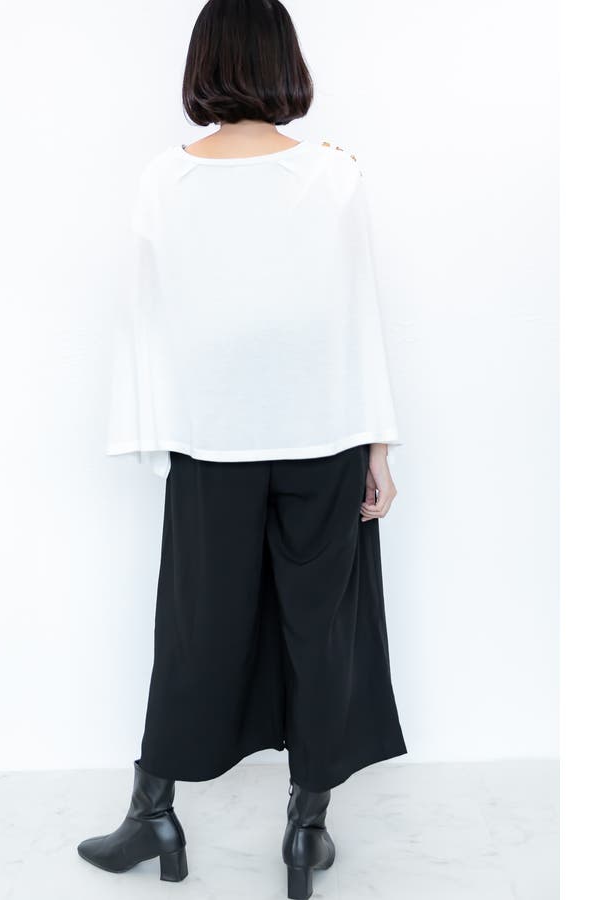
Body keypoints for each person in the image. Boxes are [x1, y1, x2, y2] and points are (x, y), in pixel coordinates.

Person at [77, 2, 407, 897]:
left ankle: (154, 811)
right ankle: (306, 830)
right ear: (285, 63)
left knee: (197, 630)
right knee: (320, 629)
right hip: (325, 436)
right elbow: (357, 315)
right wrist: (378, 445)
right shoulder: (334, 173)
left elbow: (145, 317)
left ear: (206, 64)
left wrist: (153, 437)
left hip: (211, 440)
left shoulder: (165, 178)